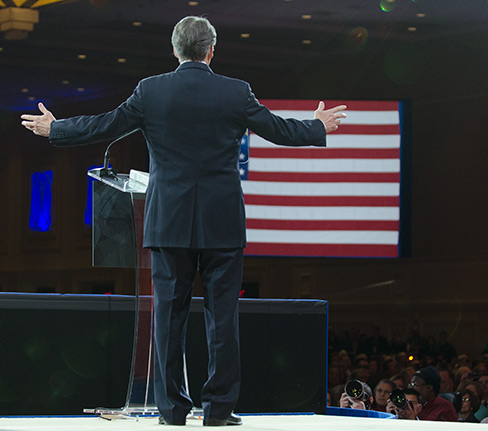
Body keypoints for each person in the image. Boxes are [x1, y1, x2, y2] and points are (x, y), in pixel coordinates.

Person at [20, 15, 346, 427]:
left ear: (174, 50)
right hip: (222, 223)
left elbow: (106, 125)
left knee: (168, 320)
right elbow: (278, 130)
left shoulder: (151, 91)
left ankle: (172, 411)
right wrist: (317, 126)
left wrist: (57, 128)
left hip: (169, 223)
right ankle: (218, 411)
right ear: (212, 50)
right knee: (222, 320)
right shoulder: (235, 92)